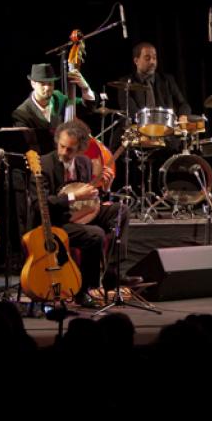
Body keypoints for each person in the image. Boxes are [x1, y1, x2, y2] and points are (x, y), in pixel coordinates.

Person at [29, 120, 129, 307]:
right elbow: (38, 204)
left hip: (80, 216)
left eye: (70, 149)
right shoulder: (43, 164)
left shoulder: (84, 163)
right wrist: (73, 196)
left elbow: (90, 200)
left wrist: (105, 188)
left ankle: (113, 273)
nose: (64, 152)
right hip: (55, 222)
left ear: (80, 149)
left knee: (120, 210)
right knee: (95, 234)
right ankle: (83, 290)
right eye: (62, 146)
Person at [11, 63, 95, 143]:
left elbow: (86, 107)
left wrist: (85, 88)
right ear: (33, 84)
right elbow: (24, 143)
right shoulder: (22, 114)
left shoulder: (58, 97)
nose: (47, 88)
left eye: (50, 83)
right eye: (42, 84)